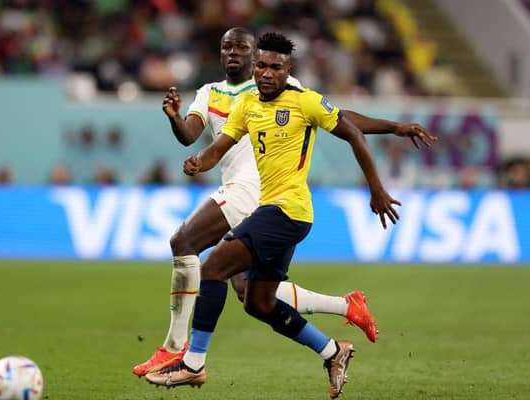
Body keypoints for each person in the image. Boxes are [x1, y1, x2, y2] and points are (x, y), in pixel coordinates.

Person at [133, 27, 437, 378]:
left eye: (245, 50)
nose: (261, 69)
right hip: (265, 204)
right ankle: (333, 344)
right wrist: (196, 154)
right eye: (228, 47)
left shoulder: (292, 93)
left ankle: (185, 356)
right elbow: (209, 143)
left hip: (273, 202)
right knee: (256, 301)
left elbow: (344, 122)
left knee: (202, 259)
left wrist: (390, 141)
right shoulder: (225, 98)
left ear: (272, 64)